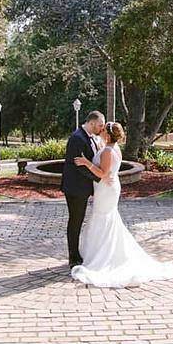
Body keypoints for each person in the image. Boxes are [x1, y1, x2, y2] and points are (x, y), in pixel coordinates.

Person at [70, 121, 173, 287]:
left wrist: (86, 162)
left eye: (103, 130)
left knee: (103, 219)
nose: (101, 131)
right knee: (107, 219)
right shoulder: (113, 148)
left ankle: (105, 257)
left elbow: (103, 174)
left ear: (108, 134)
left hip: (106, 189)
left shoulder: (107, 151)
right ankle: (105, 252)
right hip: (108, 188)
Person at [61, 110, 110, 269]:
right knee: (75, 221)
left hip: (82, 187)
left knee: (78, 220)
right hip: (75, 187)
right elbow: (78, 165)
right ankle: (73, 256)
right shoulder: (77, 138)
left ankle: (76, 254)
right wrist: (100, 177)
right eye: (100, 125)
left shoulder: (89, 137)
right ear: (92, 123)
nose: (102, 128)